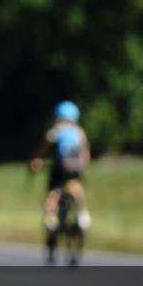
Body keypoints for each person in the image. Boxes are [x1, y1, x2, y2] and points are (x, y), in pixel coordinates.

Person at [29, 100, 91, 263]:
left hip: (59, 168)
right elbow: (85, 155)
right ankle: (81, 212)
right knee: (74, 184)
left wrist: (36, 161)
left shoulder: (55, 131)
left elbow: (42, 151)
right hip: (75, 167)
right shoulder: (79, 132)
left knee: (53, 191)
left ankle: (51, 217)